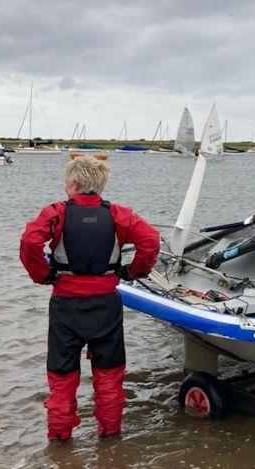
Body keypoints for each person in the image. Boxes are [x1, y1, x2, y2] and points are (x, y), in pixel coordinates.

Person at [20, 156, 160, 441]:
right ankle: (110, 438)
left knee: (62, 380)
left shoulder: (56, 213)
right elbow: (151, 240)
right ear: (100, 184)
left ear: (73, 183)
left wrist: (43, 275)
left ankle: (59, 444)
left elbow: (29, 243)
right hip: (106, 305)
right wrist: (134, 271)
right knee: (109, 376)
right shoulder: (119, 214)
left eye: (66, 182)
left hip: (66, 307)